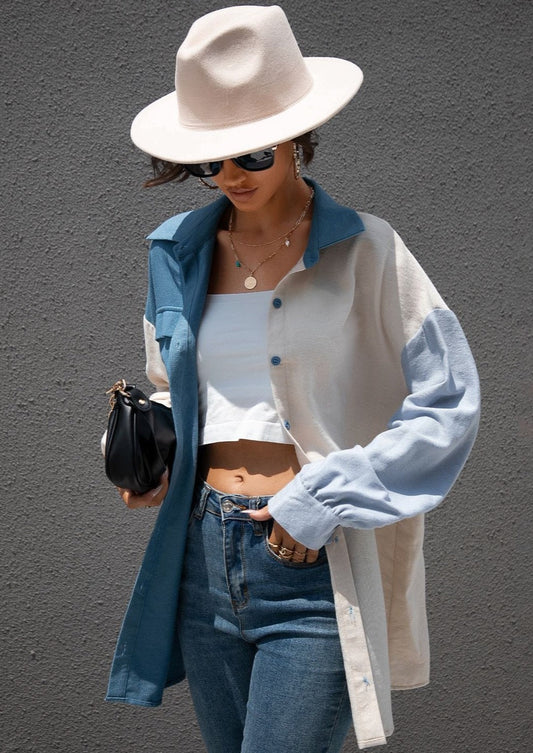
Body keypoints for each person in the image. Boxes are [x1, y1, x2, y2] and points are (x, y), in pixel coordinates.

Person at [105, 6, 480, 752]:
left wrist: (320, 498)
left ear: (296, 139)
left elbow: (449, 402)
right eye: (210, 161)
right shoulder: (173, 251)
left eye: (250, 153)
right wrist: (144, 448)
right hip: (199, 554)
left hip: (308, 557)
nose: (229, 175)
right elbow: (171, 384)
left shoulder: (367, 250)